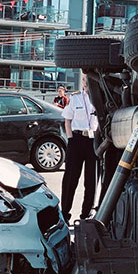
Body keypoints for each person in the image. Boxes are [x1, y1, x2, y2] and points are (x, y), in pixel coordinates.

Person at [60, 73, 98, 222]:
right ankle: (65, 213)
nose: (85, 82)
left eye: (87, 79)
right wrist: (70, 139)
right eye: (83, 79)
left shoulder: (98, 97)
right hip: (77, 139)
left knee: (91, 180)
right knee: (70, 178)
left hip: (93, 140)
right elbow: (67, 120)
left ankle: (85, 214)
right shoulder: (75, 98)